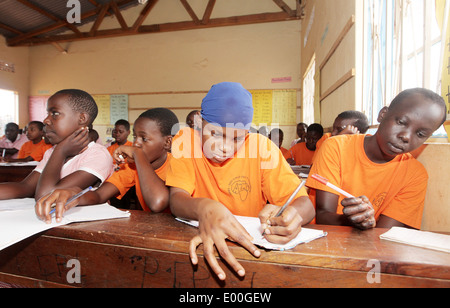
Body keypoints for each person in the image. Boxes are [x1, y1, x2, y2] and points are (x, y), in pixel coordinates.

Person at [166, 82, 315, 281]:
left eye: (237, 139)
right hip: (200, 243)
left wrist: (291, 217)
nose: (225, 148)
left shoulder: (262, 148)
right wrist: (206, 208)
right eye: (216, 134)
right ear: (200, 123)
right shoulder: (185, 141)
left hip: (252, 250)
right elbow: (176, 199)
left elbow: (306, 205)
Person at [306, 88, 447, 230]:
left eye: (421, 134)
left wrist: (367, 224)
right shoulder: (336, 146)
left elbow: (383, 234)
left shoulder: (415, 174)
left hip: (369, 248)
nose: (406, 137)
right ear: (382, 115)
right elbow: (323, 216)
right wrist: (353, 221)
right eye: (401, 122)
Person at [35, 108, 179, 221]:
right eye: (135, 137)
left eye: (144, 139)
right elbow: (99, 195)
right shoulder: (131, 167)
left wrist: (138, 154)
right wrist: (75, 194)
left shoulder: (179, 164)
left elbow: (158, 202)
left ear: (167, 142)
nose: (136, 143)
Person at [0, 89, 114, 212]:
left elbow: (46, 196)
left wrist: (60, 151)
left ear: (82, 118)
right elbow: (26, 187)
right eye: (47, 114)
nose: (46, 120)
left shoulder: (97, 154)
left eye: (55, 113)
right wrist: (59, 151)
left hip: (84, 225)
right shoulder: (52, 152)